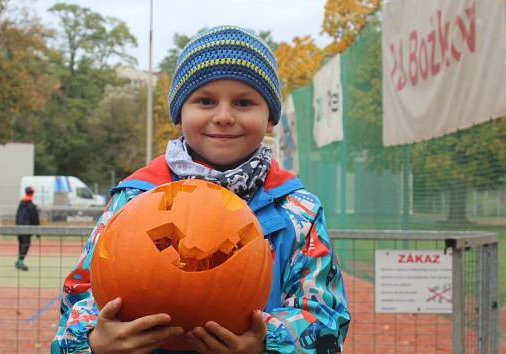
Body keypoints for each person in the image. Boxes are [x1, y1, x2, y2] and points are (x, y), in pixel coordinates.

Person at [52, 26, 350, 354]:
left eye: (244, 102)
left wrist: (266, 343)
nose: (224, 116)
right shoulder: (133, 199)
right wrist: (94, 341)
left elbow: (326, 318)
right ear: (180, 114)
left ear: (270, 120)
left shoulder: (298, 211)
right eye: (205, 101)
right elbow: (79, 295)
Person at [15, 186, 40, 271]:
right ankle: (20, 261)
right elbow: (35, 219)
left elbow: (17, 216)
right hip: (27, 228)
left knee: (21, 244)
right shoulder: (32, 206)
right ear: (32, 193)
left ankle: (19, 261)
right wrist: (37, 232)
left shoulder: (21, 204)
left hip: (19, 227)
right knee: (26, 245)